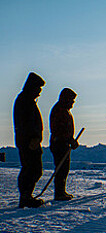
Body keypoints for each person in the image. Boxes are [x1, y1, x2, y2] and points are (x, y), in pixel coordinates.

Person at [13, 72, 46, 208]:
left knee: (34, 169)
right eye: (38, 89)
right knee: (31, 169)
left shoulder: (27, 100)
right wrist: (32, 139)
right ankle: (26, 197)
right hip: (28, 142)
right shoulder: (24, 101)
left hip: (31, 141)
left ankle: (27, 195)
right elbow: (25, 123)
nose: (39, 93)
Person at [49, 88, 79, 201]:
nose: (73, 103)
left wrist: (71, 140)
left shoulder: (64, 110)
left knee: (64, 168)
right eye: (72, 100)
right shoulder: (59, 110)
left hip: (64, 143)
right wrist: (69, 140)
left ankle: (61, 191)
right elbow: (60, 130)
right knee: (61, 168)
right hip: (59, 144)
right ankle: (59, 193)